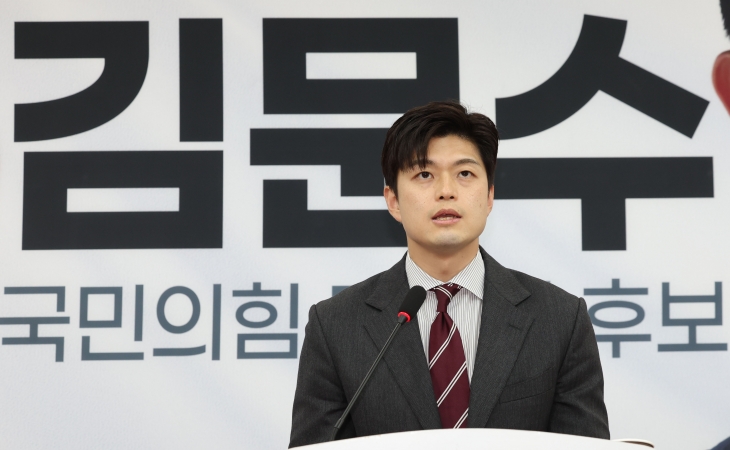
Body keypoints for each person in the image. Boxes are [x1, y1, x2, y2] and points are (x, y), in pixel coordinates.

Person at [289, 101, 609, 447]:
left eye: (464, 174)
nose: (446, 190)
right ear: (393, 201)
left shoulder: (559, 320)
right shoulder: (335, 326)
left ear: (489, 196)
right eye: (424, 175)